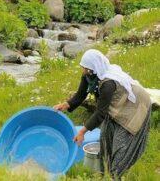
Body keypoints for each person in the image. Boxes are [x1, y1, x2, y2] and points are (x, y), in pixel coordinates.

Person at [53, 49, 152, 178]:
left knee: (121, 149)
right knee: (105, 138)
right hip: (117, 106)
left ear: (93, 69)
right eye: (83, 67)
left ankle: (115, 175)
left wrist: (82, 132)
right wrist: (64, 105)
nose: (83, 71)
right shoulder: (89, 76)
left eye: (85, 68)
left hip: (134, 108)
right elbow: (80, 95)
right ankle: (108, 173)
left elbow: (100, 114)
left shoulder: (108, 83)